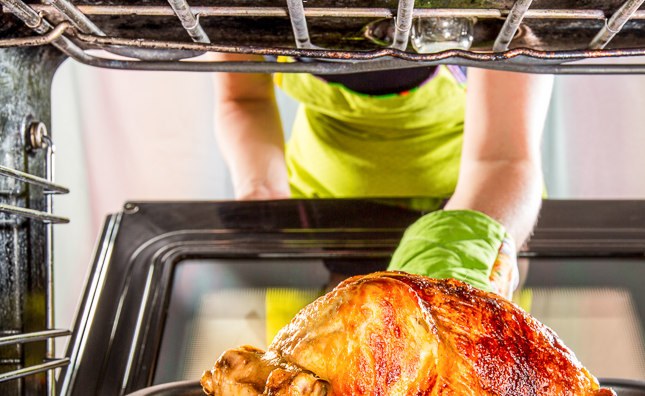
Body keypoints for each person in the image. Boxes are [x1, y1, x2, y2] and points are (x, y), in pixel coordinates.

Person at [213, 57, 553, 299]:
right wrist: (262, 191)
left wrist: (455, 278)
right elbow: (244, 97)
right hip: (318, 212)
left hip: (477, 211)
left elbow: (504, 158)